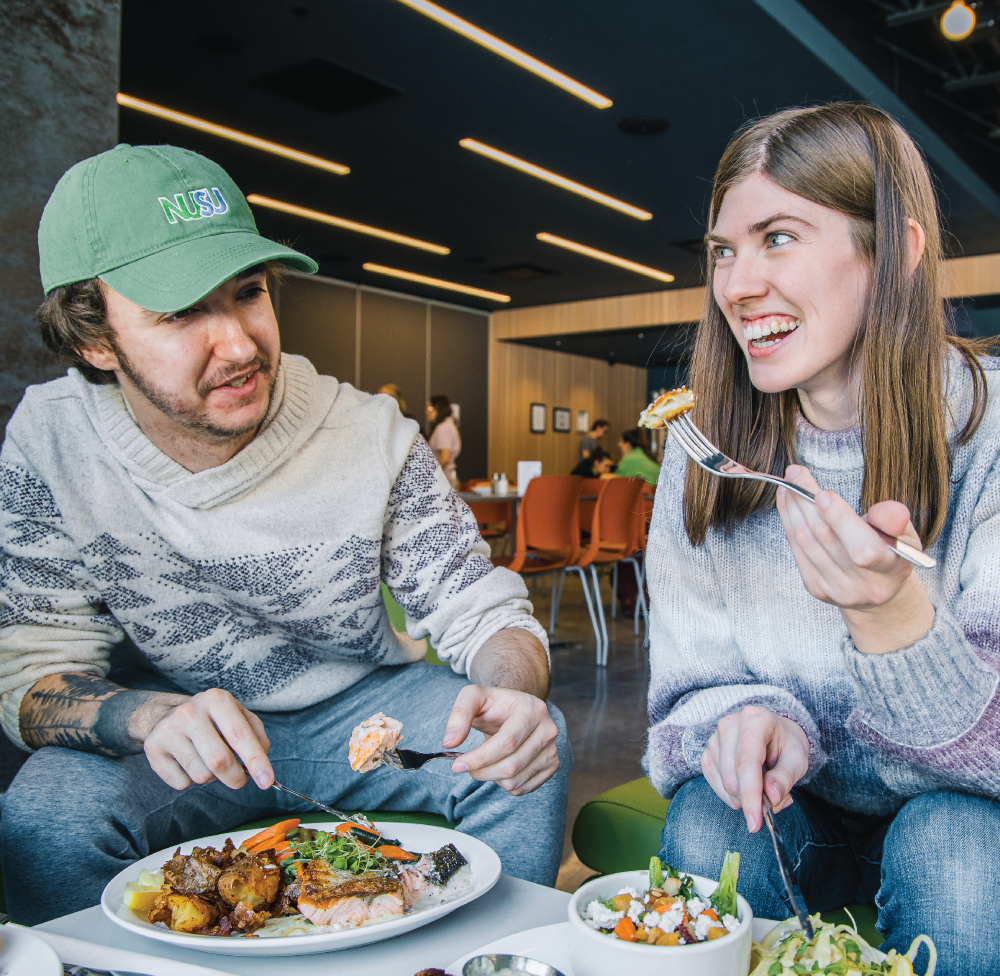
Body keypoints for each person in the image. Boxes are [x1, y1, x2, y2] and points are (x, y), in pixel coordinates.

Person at [0, 144, 570, 925]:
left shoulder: (370, 433)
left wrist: (512, 700)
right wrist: (145, 716)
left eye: (247, 293)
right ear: (94, 340)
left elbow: (484, 609)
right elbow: (32, 676)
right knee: (47, 818)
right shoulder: (50, 443)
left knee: (530, 757)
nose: (238, 343)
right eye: (180, 313)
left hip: (364, 711)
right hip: (180, 729)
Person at [643, 103, 1000, 975]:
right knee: (702, 822)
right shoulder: (702, 450)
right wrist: (748, 718)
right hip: (800, 813)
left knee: (956, 855)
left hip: (965, 807)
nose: (736, 285)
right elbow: (683, 698)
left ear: (898, 252)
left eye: (778, 237)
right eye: (724, 251)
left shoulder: (989, 428)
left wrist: (892, 617)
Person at [427, 394, 461, 484]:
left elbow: (444, 458)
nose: (427, 412)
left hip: (442, 478)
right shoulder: (447, 425)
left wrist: (428, 474)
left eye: (429, 408)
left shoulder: (444, 428)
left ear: (437, 408)